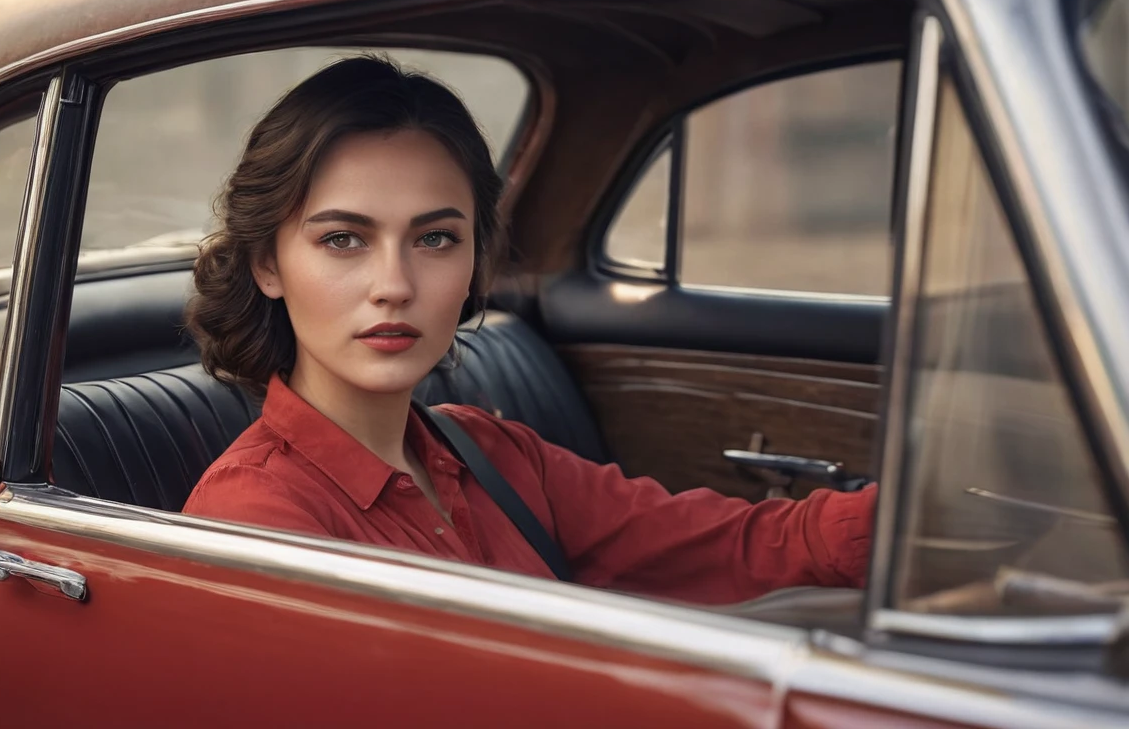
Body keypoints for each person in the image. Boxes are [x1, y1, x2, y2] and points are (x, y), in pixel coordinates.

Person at [182, 55, 876, 606]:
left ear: (475, 257)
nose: (394, 284)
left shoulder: (495, 454)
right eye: (342, 240)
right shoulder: (256, 515)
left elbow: (740, 546)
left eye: (435, 239)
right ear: (268, 264)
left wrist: (922, 532)